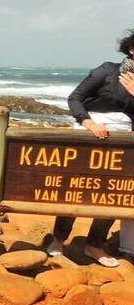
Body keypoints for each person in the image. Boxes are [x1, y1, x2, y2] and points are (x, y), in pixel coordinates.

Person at [46, 29, 134, 267]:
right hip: (89, 131)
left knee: (113, 193)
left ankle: (95, 244)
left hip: (125, 139)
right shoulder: (107, 70)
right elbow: (74, 98)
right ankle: (58, 240)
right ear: (131, 49)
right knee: (75, 186)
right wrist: (89, 123)